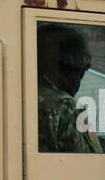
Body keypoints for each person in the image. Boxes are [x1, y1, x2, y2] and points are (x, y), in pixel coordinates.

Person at [37, 23, 101, 153]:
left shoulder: (18, 96)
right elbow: (93, 164)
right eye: (80, 70)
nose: (79, 79)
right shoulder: (67, 107)